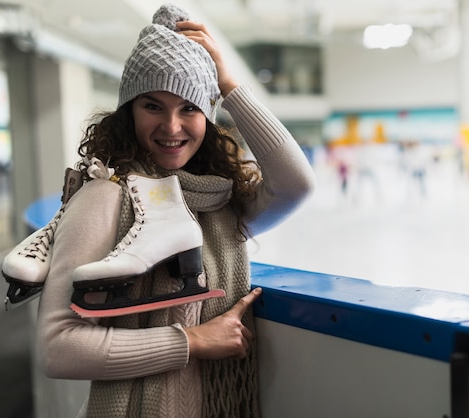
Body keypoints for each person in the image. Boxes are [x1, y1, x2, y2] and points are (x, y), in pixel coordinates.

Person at [35, 3, 315, 417]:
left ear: (208, 114)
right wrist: (193, 340)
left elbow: (296, 185)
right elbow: (57, 347)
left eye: (189, 108)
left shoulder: (219, 201)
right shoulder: (106, 196)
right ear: (128, 111)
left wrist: (231, 86)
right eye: (152, 106)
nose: (171, 127)